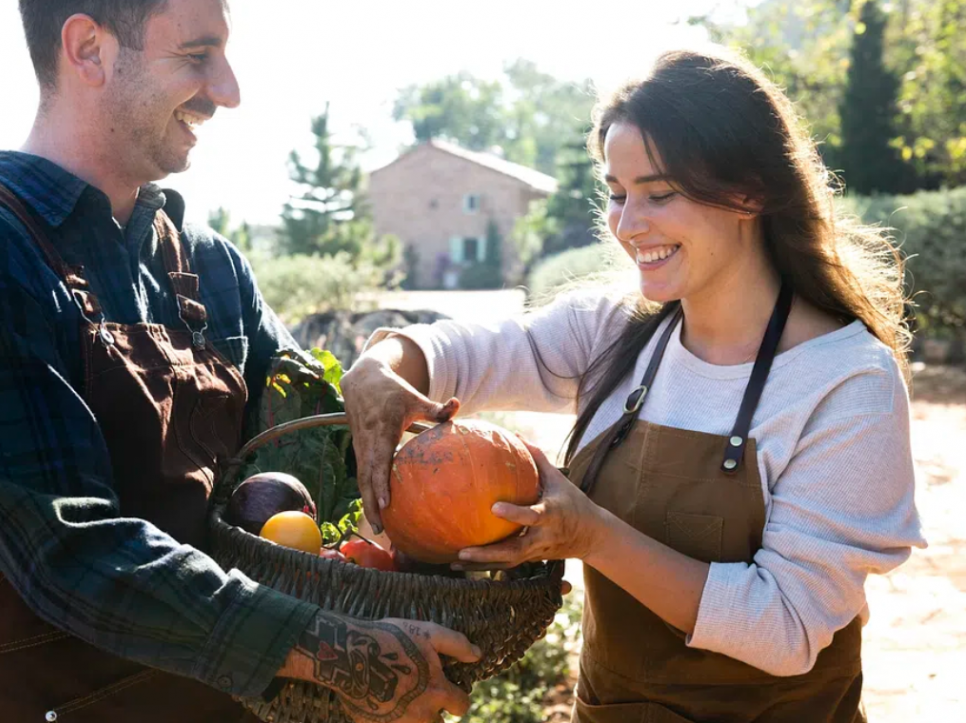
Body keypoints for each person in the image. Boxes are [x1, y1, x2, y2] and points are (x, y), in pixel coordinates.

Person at [0, 1, 478, 721]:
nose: (228, 90)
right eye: (198, 55)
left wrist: (437, 501)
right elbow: (67, 551)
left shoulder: (209, 263)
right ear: (88, 49)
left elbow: (308, 464)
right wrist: (339, 649)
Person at [342, 47, 926, 723]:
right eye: (617, 194)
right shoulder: (618, 329)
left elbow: (786, 627)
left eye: (659, 192)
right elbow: (475, 352)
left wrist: (592, 535)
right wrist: (384, 364)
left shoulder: (845, 380)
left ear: (750, 191)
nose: (626, 224)